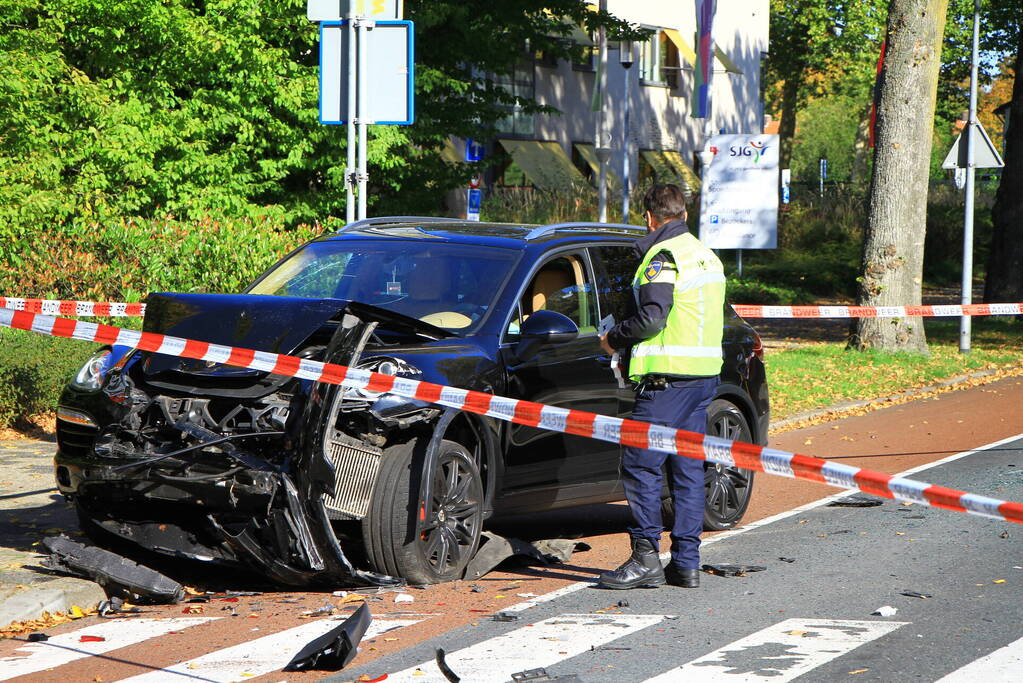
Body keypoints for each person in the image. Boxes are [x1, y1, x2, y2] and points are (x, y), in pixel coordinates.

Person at [597, 183, 725, 589]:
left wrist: (613, 339)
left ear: (650, 218)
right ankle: (686, 562)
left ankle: (645, 557)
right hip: (703, 378)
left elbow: (652, 318)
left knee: (641, 464)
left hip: (667, 381)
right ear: (684, 215)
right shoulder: (706, 255)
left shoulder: (664, 256)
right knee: (687, 469)